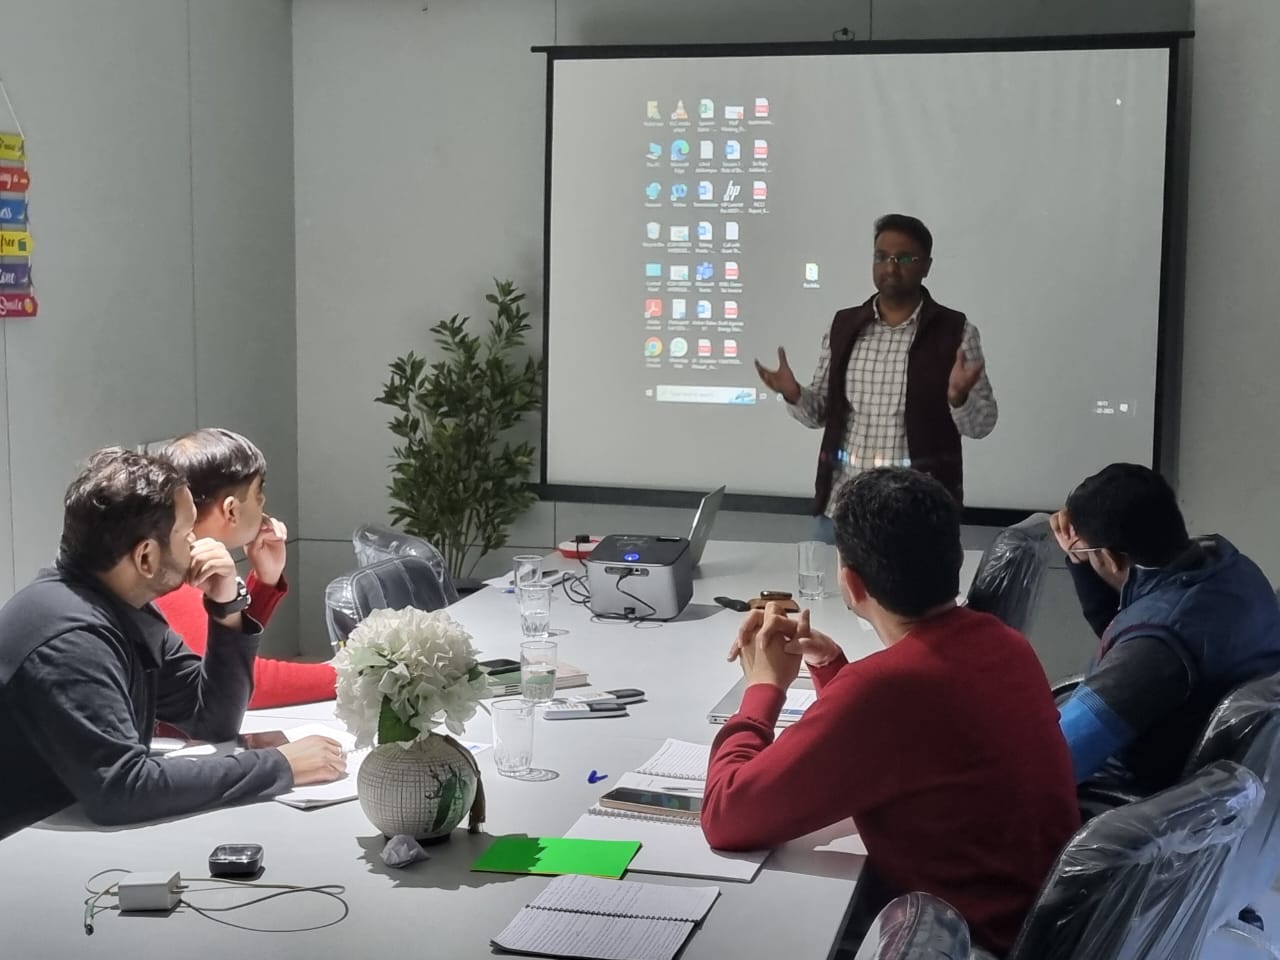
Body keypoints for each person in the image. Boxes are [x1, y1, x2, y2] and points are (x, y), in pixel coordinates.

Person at [701, 468, 1078, 956]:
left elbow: (727, 816)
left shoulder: (887, 688)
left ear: (851, 583)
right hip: (1029, 927)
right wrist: (831, 665)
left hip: (965, 944)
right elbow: (914, 741)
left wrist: (763, 687)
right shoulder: (1005, 644)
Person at [0, 448, 345, 838]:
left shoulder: (121, 608)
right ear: (146, 556)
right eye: (186, 533)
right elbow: (122, 789)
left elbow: (212, 719)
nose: (197, 544)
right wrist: (279, 766)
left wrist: (226, 608)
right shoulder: (71, 637)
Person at [755, 214, 997, 538]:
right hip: (842, 510)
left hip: (916, 516)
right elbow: (820, 414)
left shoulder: (956, 332)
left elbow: (982, 425)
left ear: (926, 265)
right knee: (825, 589)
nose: (891, 267)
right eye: (881, 257)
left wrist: (958, 398)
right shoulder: (844, 326)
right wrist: (795, 394)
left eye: (904, 258)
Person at [1052, 463, 1280, 802]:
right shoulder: (1232, 570)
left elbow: (1052, 761)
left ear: (1112, 559)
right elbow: (1135, 631)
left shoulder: (1155, 649)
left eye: (1091, 555)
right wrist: (1084, 563)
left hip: (1132, 801)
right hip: (1224, 792)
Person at [155, 428, 336, 708]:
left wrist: (265, 580)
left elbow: (227, 651)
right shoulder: (167, 579)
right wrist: (348, 676)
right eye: (258, 492)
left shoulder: (169, 563)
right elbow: (245, 681)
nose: (263, 502)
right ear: (230, 510)